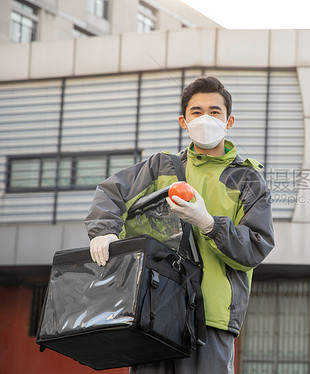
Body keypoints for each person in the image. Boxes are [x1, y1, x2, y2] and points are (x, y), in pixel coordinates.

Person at [85, 76, 275, 373]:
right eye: (196, 112)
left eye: (215, 112)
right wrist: (104, 230)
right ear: (183, 122)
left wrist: (210, 224)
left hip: (212, 319)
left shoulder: (248, 179)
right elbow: (112, 192)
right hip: (153, 309)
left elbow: (255, 246)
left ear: (229, 121)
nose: (205, 118)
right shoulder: (161, 167)